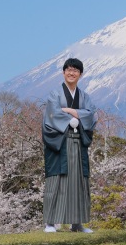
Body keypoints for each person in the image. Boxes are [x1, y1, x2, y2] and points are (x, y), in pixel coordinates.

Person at [42, 58, 97, 233]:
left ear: (80, 74)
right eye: (68, 69)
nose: (71, 73)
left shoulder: (85, 96)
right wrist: (72, 119)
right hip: (60, 141)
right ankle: (50, 222)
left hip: (78, 141)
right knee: (57, 180)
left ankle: (77, 223)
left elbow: (91, 115)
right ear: (63, 72)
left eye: (75, 70)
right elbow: (52, 114)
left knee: (78, 180)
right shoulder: (55, 94)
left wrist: (71, 111)